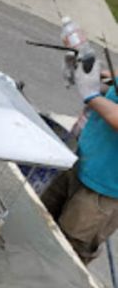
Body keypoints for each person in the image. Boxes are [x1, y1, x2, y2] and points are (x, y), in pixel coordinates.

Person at [41, 54, 118, 264]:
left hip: (104, 191)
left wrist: (91, 94)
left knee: (65, 255)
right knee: (40, 223)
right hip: (81, 162)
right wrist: (91, 74)